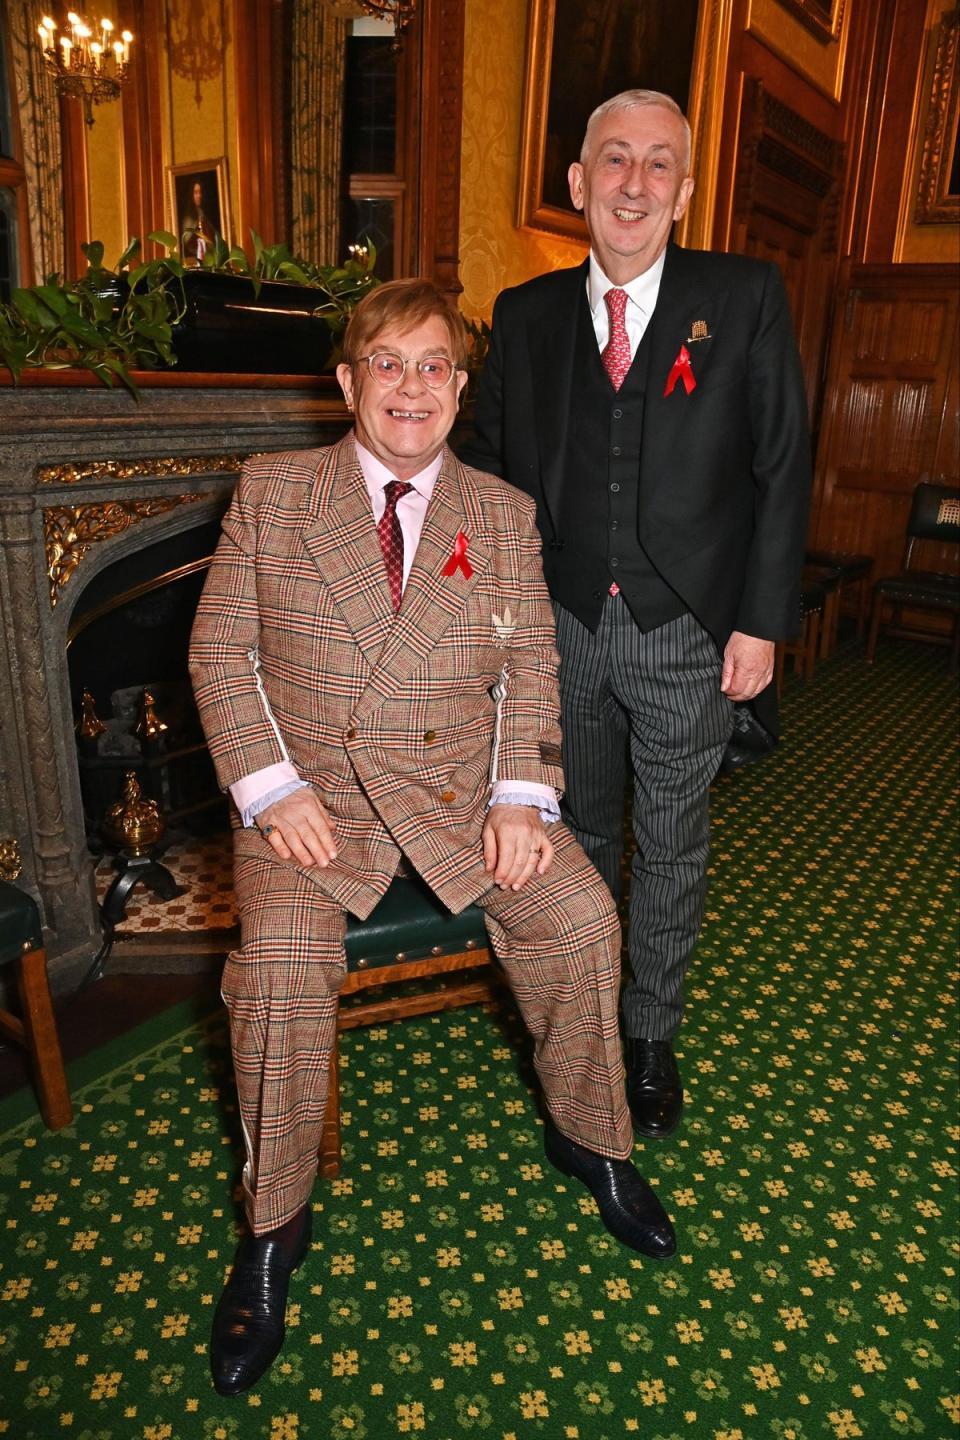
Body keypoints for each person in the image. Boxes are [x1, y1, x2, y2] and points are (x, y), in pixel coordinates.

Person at [189, 278, 676, 1399]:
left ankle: (594, 1139)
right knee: (274, 973)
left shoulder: (499, 513)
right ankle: (273, 1227)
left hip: (465, 795)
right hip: (312, 807)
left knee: (582, 918)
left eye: (437, 366)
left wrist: (521, 792)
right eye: (389, 363)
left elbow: (527, 666)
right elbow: (222, 658)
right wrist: (269, 790)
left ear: (461, 387)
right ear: (349, 381)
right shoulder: (272, 494)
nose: (413, 386)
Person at [460, 91, 811, 1146]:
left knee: (670, 839)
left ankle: (649, 1036)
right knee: (577, 832)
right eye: (615, 161)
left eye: (660, 165)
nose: (634, 183)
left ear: (686, 192)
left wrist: (761, 621)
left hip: (691, 626)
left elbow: (782, 466)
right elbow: (477, 463)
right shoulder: (522, 316)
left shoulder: (743, 296)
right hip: (560, 624)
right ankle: (577, 1019)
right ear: (578, 184)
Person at [181, 180, 212, 263]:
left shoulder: (202, 213)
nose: (199, 196)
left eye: (200, 192)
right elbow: (188, 244)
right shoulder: (187, 218)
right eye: (196, 193)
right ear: (191, 195)